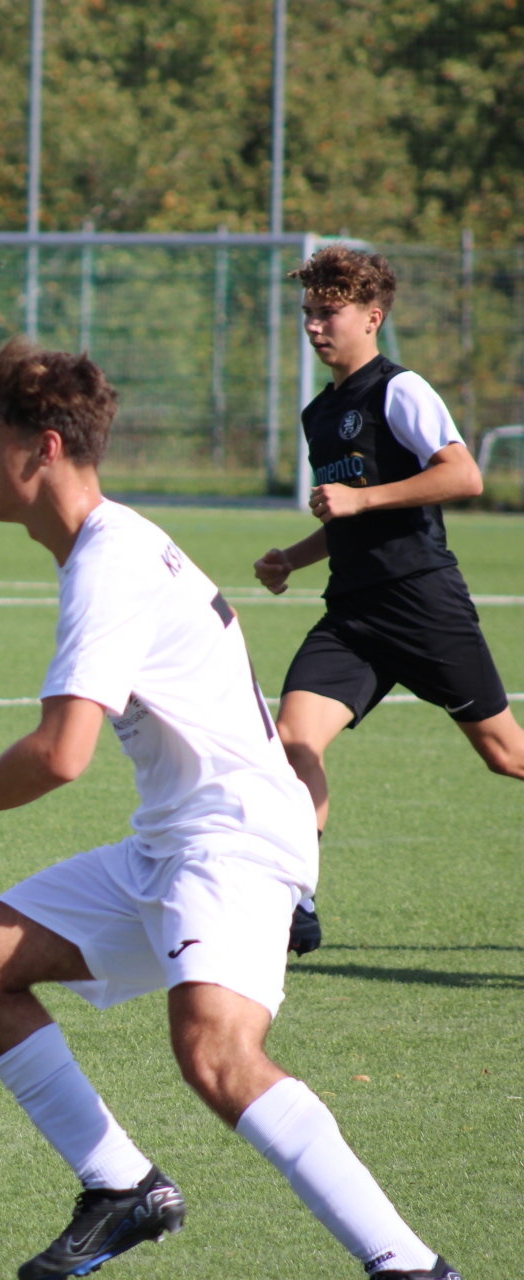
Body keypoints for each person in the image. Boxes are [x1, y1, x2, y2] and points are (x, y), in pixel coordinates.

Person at [0, 339, 459, 1279]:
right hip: (177, 842)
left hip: (234, 840)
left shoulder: (108, 562)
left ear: (44, 448)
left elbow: (62, 754)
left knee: (218, 1054)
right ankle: (121, 1187)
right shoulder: (112, 545)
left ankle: (409, 1267)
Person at [254, 245, 522, 953]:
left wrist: (362, 497)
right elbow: (349, 516)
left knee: (506, 754)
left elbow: (463, 476)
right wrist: (292, 558)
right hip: (353, 615)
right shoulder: (320, 413)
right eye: (308, 313)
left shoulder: (400, 390)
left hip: (420, 601)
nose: (314, 326)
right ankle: (296, 900)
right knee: (291, 743)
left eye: (329, 312)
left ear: (372, 318)